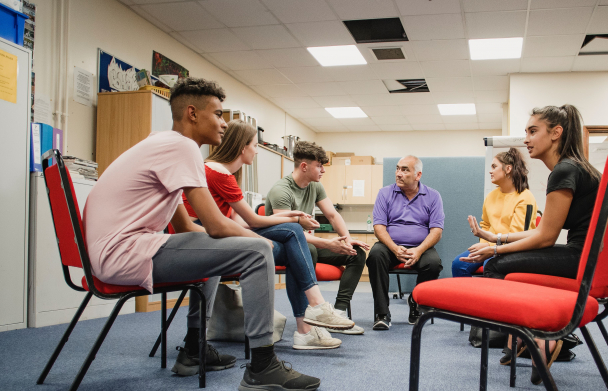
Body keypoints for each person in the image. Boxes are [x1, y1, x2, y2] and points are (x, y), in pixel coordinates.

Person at [84, 77, 327, 391]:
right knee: (254, 252)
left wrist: (238, 238)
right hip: (124, 255)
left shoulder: (163, 145)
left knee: (223, 247)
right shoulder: (181, 146)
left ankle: (195, 348)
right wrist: (256, 242)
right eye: (217, 114)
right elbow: (215, 225)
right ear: (192, 113)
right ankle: (263, 367)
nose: (223, 124)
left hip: (116, 253)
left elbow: (188, 228)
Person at [182, 121, 354, 351]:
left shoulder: (225, 173)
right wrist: (289, 221)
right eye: (254, 145)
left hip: (222, 232)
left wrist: (290, 217)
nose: (256, 150)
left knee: (293, 246)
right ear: (242, 147)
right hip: (204, 236)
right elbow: (251, 222)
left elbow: (241, 221)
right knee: (293, 237)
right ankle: (310, 317)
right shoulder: (219, 173)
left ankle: (309, 323)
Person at [461, 105, 599, 385]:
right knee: (503, 260)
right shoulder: (575, 167)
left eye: (533, 131)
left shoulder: (564, 171)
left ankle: (537, 335)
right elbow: (541, 230)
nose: (526, 139)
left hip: (580, 259)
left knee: (497, 265)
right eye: (526, 132)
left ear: (556, 133)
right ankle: (527, 336)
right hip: (588, 257)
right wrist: (495, 238)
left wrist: (496, 250)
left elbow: (545, 238)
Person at [265, 141, 370, 335]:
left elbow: (333, 215)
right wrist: (328, 244)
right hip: (288, 248)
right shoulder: (282, 189)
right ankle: (309, 316)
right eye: (319, 165)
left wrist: (346, 240)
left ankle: (338, 313)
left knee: (355, 254)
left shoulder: (315, 186)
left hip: (308, 243)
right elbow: (288, 231)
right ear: (304, 166)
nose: (323, 170)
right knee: (310, 249)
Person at [367, 155, 444, 330]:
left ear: (418, 175)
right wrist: (394, 248)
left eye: (404, 170)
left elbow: (437, 231)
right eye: (397, 168)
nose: (398, 173)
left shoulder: (433, 196)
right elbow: (379, 226)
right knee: (375, 256)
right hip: (390, 245)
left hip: (421, 247)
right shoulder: (384, 193)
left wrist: (419, 250)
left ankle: (415, 301)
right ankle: (382, 313)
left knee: (433, 264)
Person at [451, 148, 538, 278]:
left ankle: (488, 297)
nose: (490, 171)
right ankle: (469, 298)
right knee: (458, 264)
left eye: (494, 166)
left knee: (489, 265)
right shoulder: (491, 196)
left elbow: (516, 237)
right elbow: (485, 225)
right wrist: (482, 243)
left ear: (508, 169)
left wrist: (488, 245)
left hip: (512, 249)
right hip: (490, 245)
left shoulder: (525, 197)